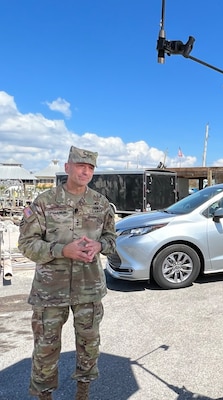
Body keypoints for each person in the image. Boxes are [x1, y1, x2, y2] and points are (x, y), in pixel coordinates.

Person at [19, 146, 116, 400]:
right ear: (67, 168)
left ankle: (82, 394)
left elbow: (112, 240)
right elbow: (26, 244)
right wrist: (63, 250)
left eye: (90, 168)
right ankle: (44, 397)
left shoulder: (101, 204)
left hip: (89, 289)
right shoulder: (44, 203)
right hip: (50, 291)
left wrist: (100, 245)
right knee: (45, 350)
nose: (85, 171)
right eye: (80, 166)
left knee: (88, 346)